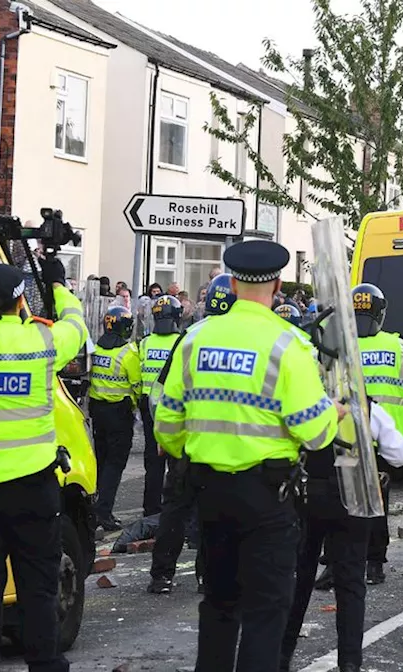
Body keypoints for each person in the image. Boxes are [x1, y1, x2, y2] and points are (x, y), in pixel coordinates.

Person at [154, 240, 343, 672]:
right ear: (277, 285)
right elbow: (314, 434)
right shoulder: (288, 344)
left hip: (209, 492)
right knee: (265, 611)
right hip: (267, 497)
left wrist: (191, 452)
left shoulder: (196, 338)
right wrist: (332, 413)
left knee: (219, 603)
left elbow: (166, 421)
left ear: (233, 283)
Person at [0, 258, 87, 672]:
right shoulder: (42, 341)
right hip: (32, 489)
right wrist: (57, 286)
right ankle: (44, 664)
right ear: (22, 300)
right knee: (38, 589)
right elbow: (77, 325)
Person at [281, 399, 403, 672]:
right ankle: (350, 663)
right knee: (351, 584)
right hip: (353, 499)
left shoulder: (304, 403)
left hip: (308, 498)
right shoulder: (366, 407)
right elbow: (399, 454)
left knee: (298, 580)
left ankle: (281, 658)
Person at [147, 274, 236, 595]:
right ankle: (206, 576)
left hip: (183, 439)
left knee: (175, 508)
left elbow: (160, 391)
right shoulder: (242, 340)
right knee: (211, 511)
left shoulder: (188, 337)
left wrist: (164, 435)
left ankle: (161, 575)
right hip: (220, 442)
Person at [350, 283, 403, 585]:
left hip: (347, 437)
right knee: (377, 504)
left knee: (345, 502)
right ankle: (374, 564)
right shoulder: (397, 347)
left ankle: (340, 562)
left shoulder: (340, 344)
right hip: (386, 441)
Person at [89, 306, 141, 533]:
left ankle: (93, 509)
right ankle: (103, 512)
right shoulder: (128, 353)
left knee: (101, 460)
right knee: (115, 464)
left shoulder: (97, 348)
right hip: (119, 413)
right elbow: (137, 385)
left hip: (97, 410)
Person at [138, 295, 184, 523]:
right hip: (173, 407)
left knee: (152, 461)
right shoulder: (182, 341)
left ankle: (151, 509)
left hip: (148, 406)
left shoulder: (145, 342)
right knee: (175, 461)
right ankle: (172, 509)